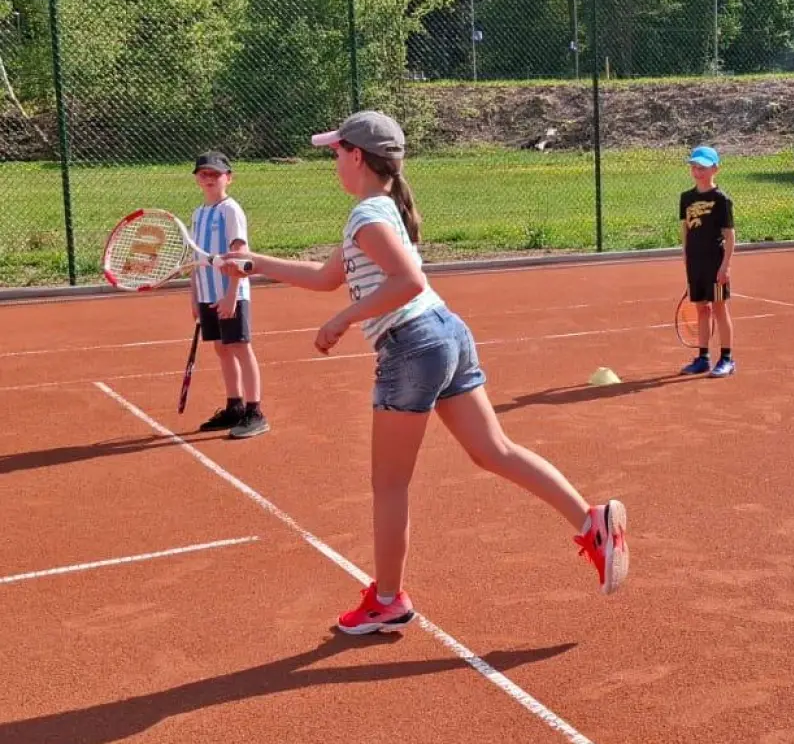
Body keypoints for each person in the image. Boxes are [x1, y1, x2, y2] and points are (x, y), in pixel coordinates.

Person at [221, 110, 628, 634]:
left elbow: (407, 281)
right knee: (493, 452)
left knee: (389, 485)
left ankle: (387, 600)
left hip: (412, 345)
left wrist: (345, 319)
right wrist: (253, 263)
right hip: (445, 334)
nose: (333, 161)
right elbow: (328, 277)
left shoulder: (368, 215)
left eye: (337, 152)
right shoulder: (381, 209)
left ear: (358, 157)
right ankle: (590, 521)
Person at [189, 151, 268, 439]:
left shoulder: (230, 210)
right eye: (203, 174)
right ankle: (234, 406)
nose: (209, 178)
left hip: (230, 292)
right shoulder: (198, 214)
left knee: (239, 347)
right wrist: (195, 298)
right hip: (208, 293)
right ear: (197, 179)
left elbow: (240, 255)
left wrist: (231, 295)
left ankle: (254, 410)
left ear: (228, 178)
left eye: (215, 174)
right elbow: (196, 261)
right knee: (222, 348)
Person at [678, 145, 736, 377]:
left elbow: (730, 236)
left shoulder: (721, 200)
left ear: (715, 169)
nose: (697, 171)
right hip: (695, 262)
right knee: (702, 310)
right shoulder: (686, 198)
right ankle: (703, 358)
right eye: (694, 167)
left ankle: (727, 359)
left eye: (702, 167)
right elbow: (685, 229)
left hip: (715, 262)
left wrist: (726, 266)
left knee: (719, 309)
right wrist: (685, 256)